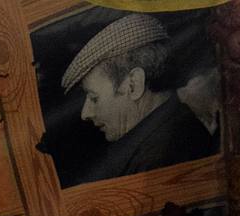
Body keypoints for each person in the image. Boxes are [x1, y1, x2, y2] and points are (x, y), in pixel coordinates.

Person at [60, 13, 218, 184]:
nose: (85, 113)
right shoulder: (168, 132)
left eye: (94, 98)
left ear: (134, 84)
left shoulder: (158, 159)